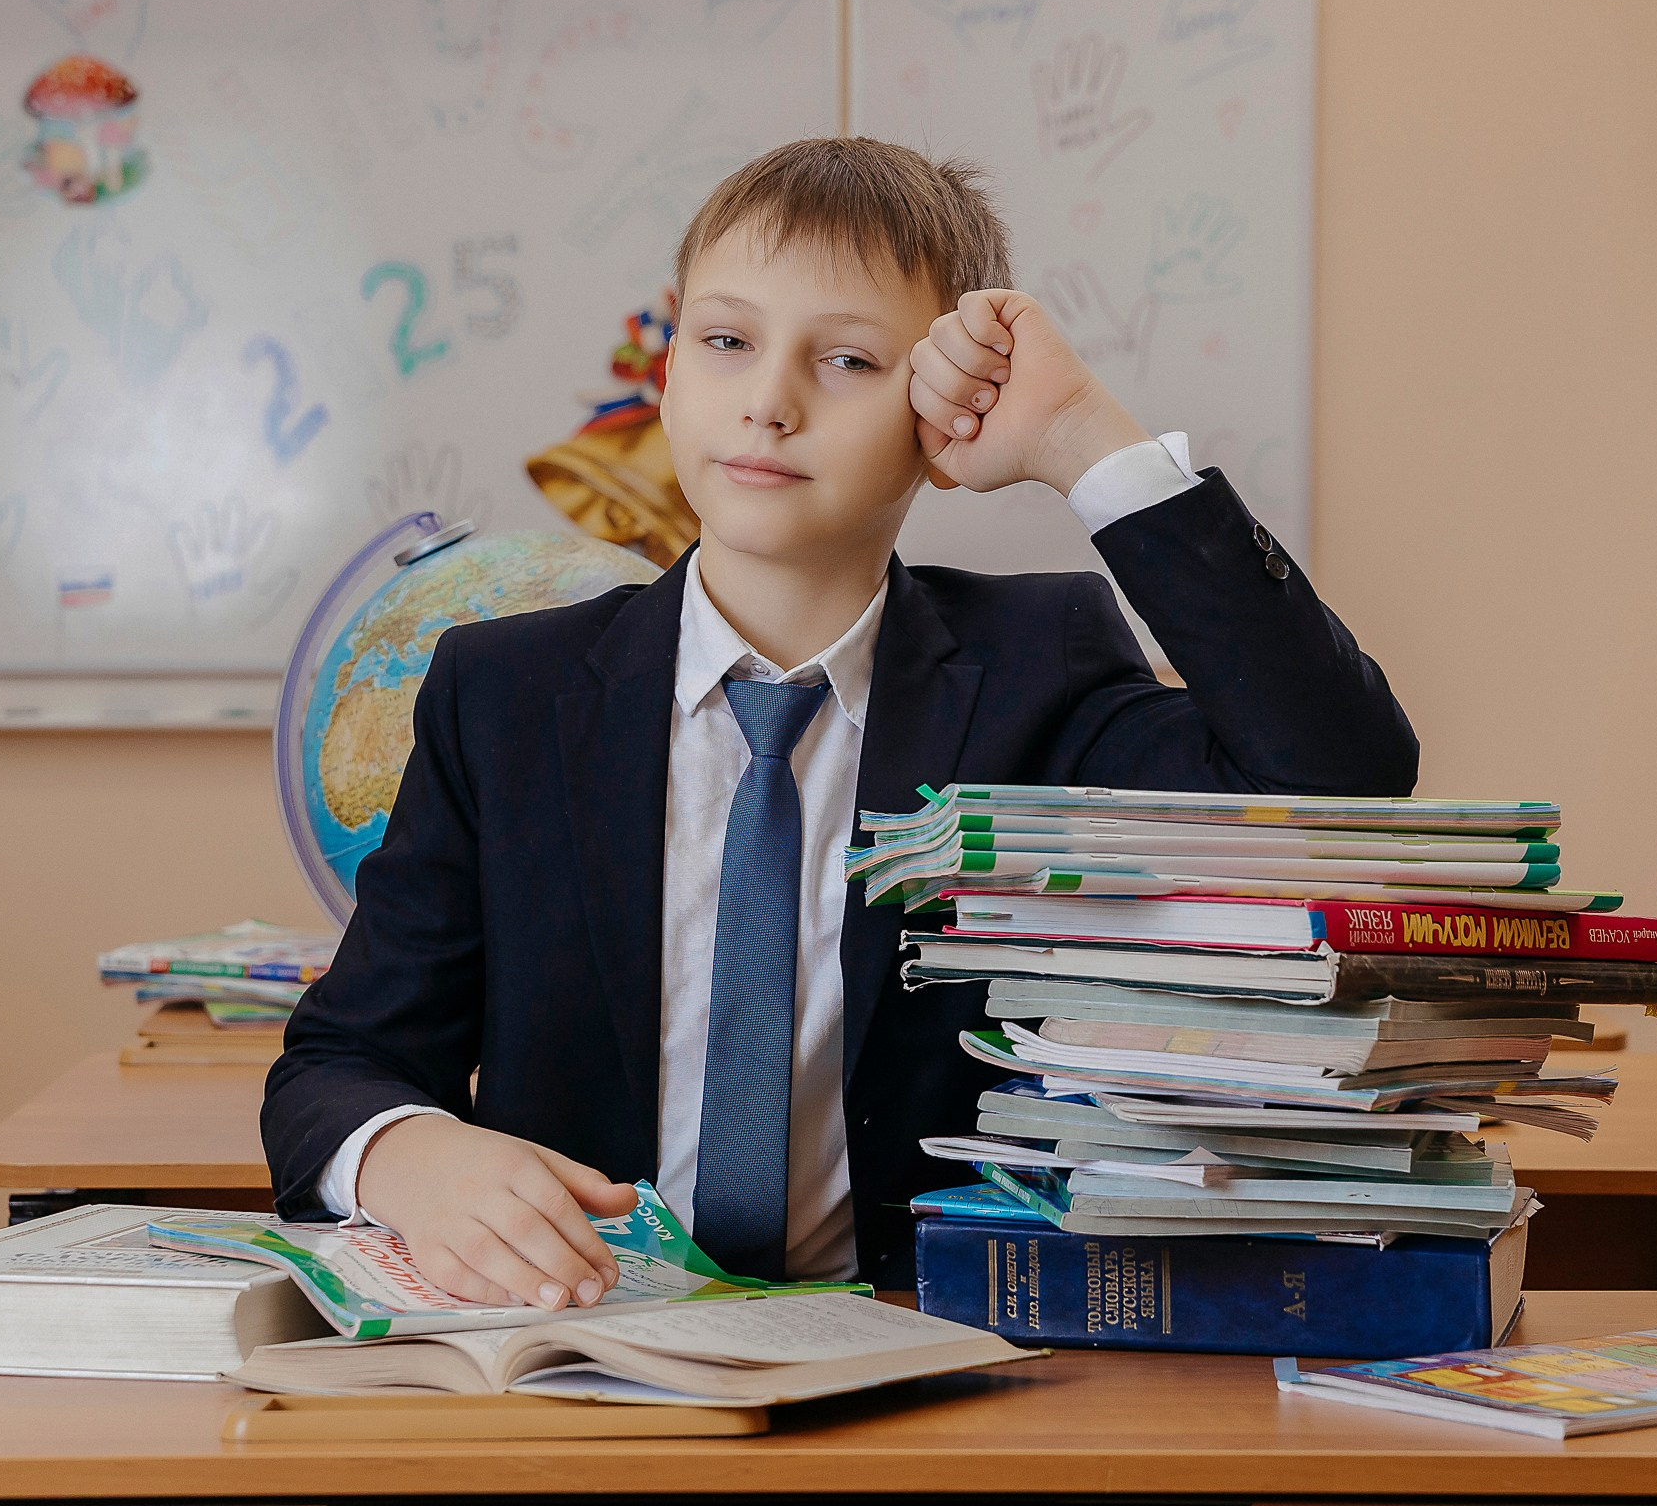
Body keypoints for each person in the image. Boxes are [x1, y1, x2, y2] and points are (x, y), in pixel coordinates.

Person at [263, 136, 1417, 1299]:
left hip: (930, 1364)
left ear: (943, 411)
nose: (768, 401)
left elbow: (1340, 782)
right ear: (669, 371)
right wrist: (409, 1155)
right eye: (725, 342)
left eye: (851, 361)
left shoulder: (1035, 676)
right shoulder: (503, 695)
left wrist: (1081, 440)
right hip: (584, 1363)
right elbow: (339, 1060)